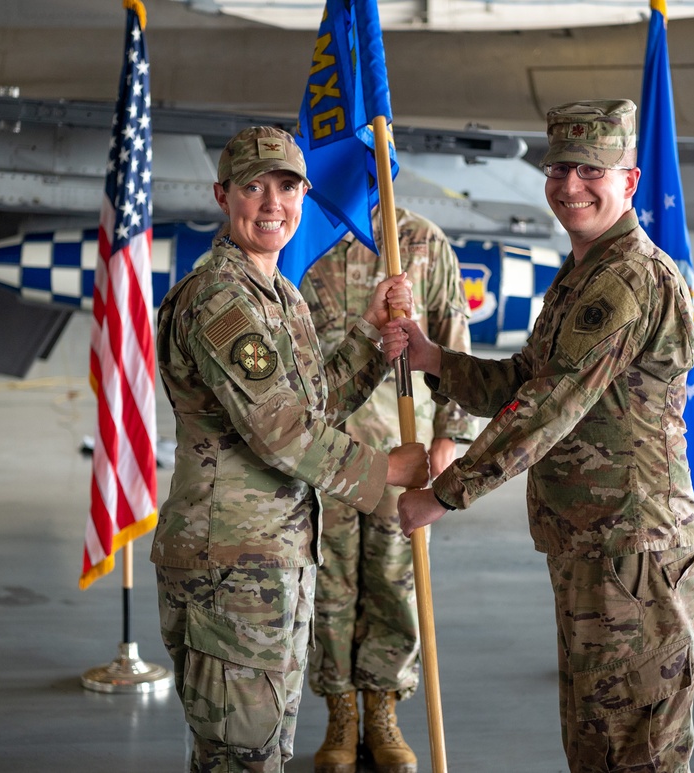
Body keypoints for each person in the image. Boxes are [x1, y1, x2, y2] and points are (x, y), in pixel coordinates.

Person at [383, 101, 694, 772]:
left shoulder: (622, 280)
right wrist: (434, 360)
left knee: (634, 753)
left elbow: (548, 407)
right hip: (598, 550)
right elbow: (528, 379)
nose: (569, 185)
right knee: (598, 744)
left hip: (632, 552)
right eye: (558, 167)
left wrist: (445, 493)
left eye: (592, 168)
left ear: (630, 179)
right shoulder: (584, 274)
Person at [151, 126, 430, 773]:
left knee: (262, 754)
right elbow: (279, 431)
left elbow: (312, 404)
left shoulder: (278, 295)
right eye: (253, 186)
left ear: (305, 196)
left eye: (287, 186)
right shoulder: (221, 297)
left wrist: (369, 336)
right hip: (228, 571)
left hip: (269, 566)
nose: (272, 203)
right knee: (240, 759)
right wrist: (387, 470)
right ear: (223, 196)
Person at [300, 208, 476, 773]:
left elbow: (452, 336)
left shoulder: (423, 242)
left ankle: (382, 712)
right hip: (321, 456)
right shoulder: (303, 235)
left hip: (403, 453)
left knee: (396, 589)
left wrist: (451, 433)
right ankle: (339, 716)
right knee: (328, 590)